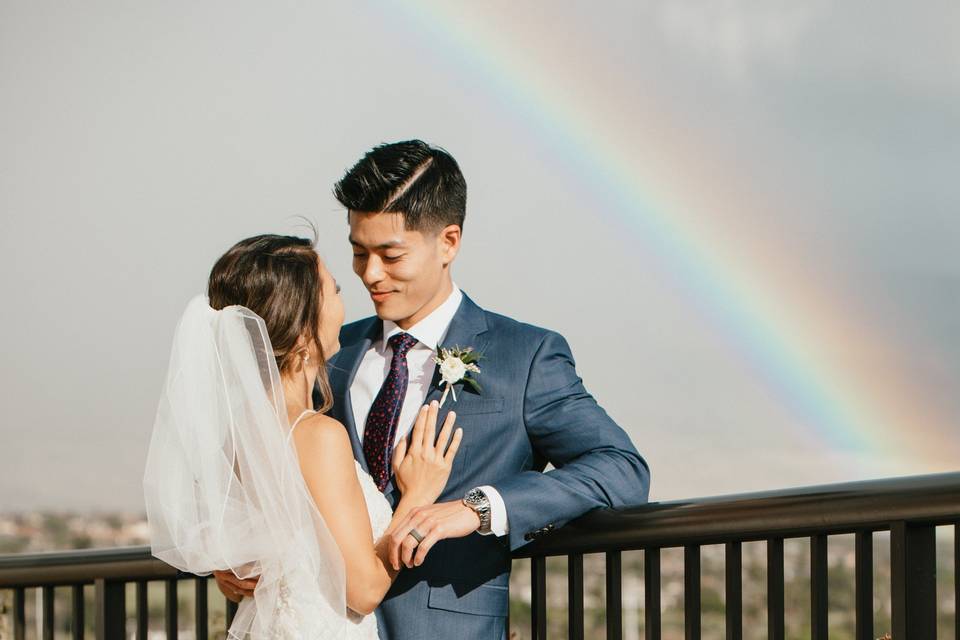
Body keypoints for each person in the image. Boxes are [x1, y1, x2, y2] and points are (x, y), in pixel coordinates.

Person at [216, 140, 652, 640]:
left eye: (390, 254)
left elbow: (622, 468)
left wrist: (478, 509)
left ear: (448, 242)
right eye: (359, 253)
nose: (370, 274)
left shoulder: (526, 357)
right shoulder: (326, 353)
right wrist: (242, 557)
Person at [145, 234, 462, 638]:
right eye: (335, 290)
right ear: (301, 327)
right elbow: (363, 591)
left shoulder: (238, 436)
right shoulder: (318, 435)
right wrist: (417, 495)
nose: (347, 303)